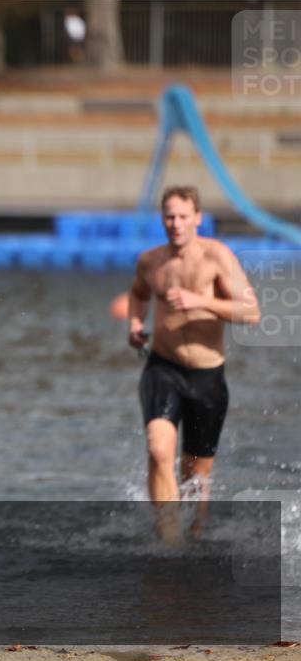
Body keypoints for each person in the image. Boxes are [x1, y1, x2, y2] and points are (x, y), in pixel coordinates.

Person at [128, 186, 259, 536]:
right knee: (158, 449)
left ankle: (194, 536)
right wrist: (135, 323)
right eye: (169, 216)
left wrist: (200, 302)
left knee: (195, 477)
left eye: (183, 216)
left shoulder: (217, 256)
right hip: (163, 367)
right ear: (162, 219)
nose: (176, 223)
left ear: (198, 218)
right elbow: (139, 294)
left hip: (207, 376)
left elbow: (251, 311)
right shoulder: (150, 261)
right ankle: (167, 539)